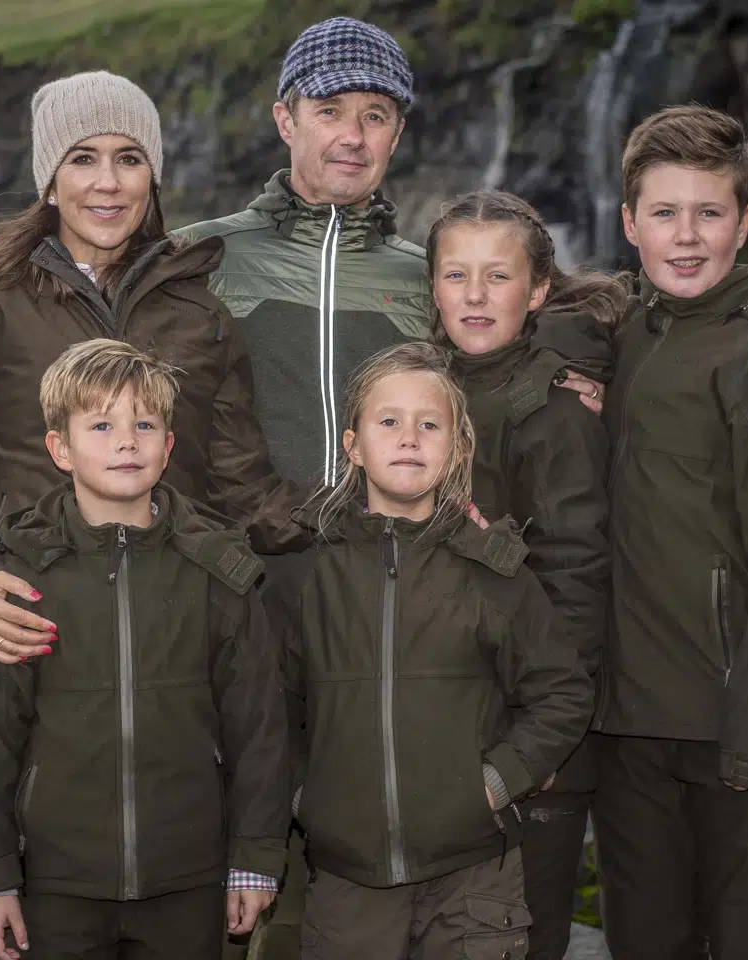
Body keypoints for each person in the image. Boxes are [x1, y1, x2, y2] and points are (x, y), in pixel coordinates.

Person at [173, 22, 602, 956]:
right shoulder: (202, 258)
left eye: (375, 116)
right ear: (284, 117)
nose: (352, 136)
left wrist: (584, 361)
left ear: (398, 134)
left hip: (403, 615)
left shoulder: (424, 276)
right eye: (330, 111)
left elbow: (522, 320)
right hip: (246, 612)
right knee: (247, 898)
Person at [0, 70, 292, 952]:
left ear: (155, 174)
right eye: (84, 158)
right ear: (48, 176)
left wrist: (394, 508)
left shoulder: (199, 315)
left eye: (130, 158)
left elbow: (247, 493)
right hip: (12, 647)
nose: (108, 182)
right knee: (3, 924)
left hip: (169, 663)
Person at [592, 105, 748, 959]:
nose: (685, 237)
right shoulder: (623, 329)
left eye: (709, 213)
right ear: (629, 223)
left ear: (744, 220)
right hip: (625, 729)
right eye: (664, 214)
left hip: (731, 726)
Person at [0, 339, 290, 960]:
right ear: (60, 448)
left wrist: (254, 858)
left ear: (168, 446)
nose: (127, 440)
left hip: (190, 881)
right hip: (55, 883)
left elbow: (258, 727)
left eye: (145, 423)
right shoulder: (23, 574)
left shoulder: (218, 569)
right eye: (102, 424)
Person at [271, 341, 593, 960]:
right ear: (353, 446)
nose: (409, 438)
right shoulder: (307, 577)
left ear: (457, 447)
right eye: (388, 422)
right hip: (347, 882)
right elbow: (272, 709)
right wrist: (307, 798)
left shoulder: (492, 571)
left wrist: (497, 783)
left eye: (429, 424)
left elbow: (561, 691)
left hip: (473, 878)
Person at [427, 190, 624, 960]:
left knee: (519, 934)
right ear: (432, 286)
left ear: (538, 289)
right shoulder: (418, 395)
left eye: (497, 277)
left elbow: (577, 574)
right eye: (455, 275)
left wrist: (542, 741)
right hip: (444, 722)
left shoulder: (558, 408)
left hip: (534, 739)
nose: (474, 296)